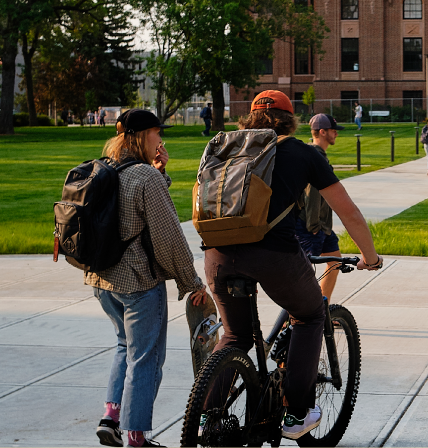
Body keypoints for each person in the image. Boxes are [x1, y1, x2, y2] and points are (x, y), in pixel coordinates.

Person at [203, 91, 382, 440]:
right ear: (290, 119)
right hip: (274, 254)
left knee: (235, 335)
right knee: (311, 314)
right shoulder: (303, 153)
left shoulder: (223, 146)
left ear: (250, 118)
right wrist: (370, 257)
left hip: (218, 254)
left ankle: (207, 417)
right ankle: (297, 415)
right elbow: (348, 212)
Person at [89, 109, 210, 448]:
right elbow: (169, 236)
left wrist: (161, 173)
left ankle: (110, 418)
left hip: (103, 282)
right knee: (146, 358)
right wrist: (192, 283)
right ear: (142, 136)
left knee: (123, 347)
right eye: (158, 132)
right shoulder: (145, 177)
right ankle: (136, 437)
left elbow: (133, 206)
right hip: (139, 284)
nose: (162, 139)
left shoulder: (106, 168)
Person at [295, 114, 345, 303]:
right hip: (310, 225)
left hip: (321, 225)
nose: (336, 134)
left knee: (334, 261)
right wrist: (314, 226)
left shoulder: (316, 154)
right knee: (304, 275)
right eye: (333, 131)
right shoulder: (315, 156)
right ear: (322, 132)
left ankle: (322, 308)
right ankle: (293, 319)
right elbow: (312, 193)